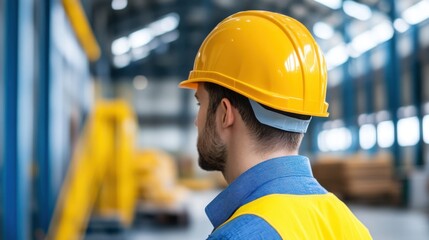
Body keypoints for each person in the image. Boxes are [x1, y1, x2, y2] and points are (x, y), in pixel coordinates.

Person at [179, 10, 372, 240]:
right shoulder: (352, 227)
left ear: (225, 114)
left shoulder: (236, 235)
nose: (196, 120)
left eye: (200, 103)